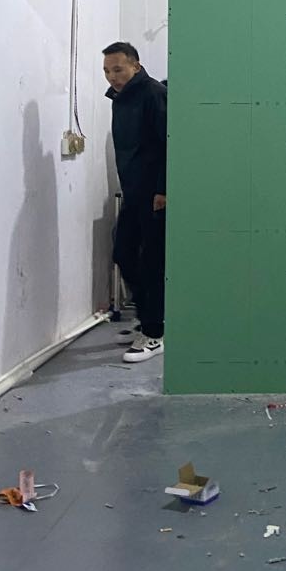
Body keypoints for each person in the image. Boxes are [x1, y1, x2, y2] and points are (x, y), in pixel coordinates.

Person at [102, 41, 167, 363]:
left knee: (152, 263)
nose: (112, 76)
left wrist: (164, 190)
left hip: (155, 196)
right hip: (134, 192)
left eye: (118, 69)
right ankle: (150, 316)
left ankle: (154, 334)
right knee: (124, 253)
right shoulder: (121, 99)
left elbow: (170, 142)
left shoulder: (154, 94)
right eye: (107, 71)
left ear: (136, 66)